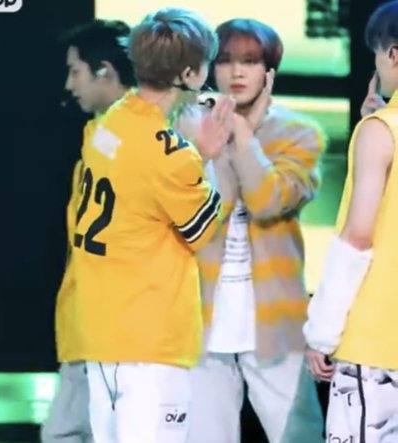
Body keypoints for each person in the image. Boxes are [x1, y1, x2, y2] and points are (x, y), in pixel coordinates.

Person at [63, 8, 236, 443]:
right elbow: (204, 232)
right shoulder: (171, 155)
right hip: (150, 342)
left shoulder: (109, 122)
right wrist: (208, 156)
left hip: (100, 334)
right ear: (191, 73)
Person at [184, 18, 326, 443]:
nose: (236, 72)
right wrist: (215, 143)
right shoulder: (187, 129)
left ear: (269, 72)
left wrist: (243, 134)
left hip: (274, 318)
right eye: (225, 60)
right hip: (200, 314)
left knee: (298, 435)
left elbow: (266, 200)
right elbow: (207, 212)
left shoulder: (299, 133)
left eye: (249, 61)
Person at [304, 1, 398, 442]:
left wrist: (321, 333)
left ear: (393, 54)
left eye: (376, 55)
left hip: (376, 343)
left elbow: (357, 237)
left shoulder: (382, 131)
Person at [41, 19, 135, 443]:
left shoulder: (138, 139)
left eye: (75, 71)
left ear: (104, 71)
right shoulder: (98, 137)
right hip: (90, 324)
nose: (68, 84)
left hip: (117, 328)